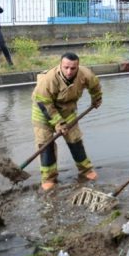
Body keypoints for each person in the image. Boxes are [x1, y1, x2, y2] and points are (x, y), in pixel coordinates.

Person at [31, 52, 102, 191]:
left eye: (73, 68)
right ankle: (48, 178)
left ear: (78, 66)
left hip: (67, 109)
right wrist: (58, 123)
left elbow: (95, 86)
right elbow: (44, 102)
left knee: (75, 139)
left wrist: (97, 99)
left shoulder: (85, 74)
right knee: (46, 144)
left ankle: (86, 170)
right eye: (66, 67)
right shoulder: (50, 79)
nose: (69, 71)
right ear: (60, 65)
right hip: (43, 109)